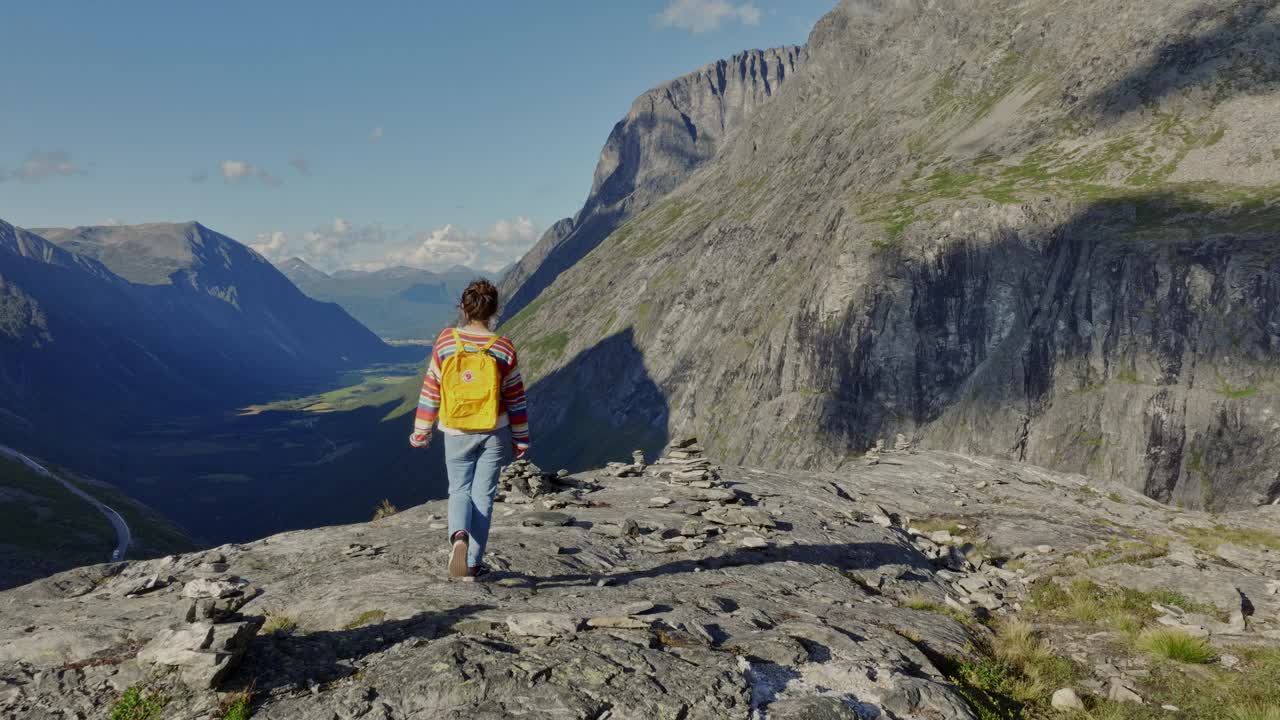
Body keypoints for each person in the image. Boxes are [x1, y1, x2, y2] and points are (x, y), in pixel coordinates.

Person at [409, 279, 529, 579]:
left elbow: (431, 388)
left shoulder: (447, 342)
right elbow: (515, 396)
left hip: (456, 430)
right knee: (483, 496)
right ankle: (473, 563)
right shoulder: (503, 347)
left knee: (459, 489)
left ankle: (458, 536)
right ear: (494, 310)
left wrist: (421, 430)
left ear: (463, 309)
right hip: (493, 430)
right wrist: (521, 437)